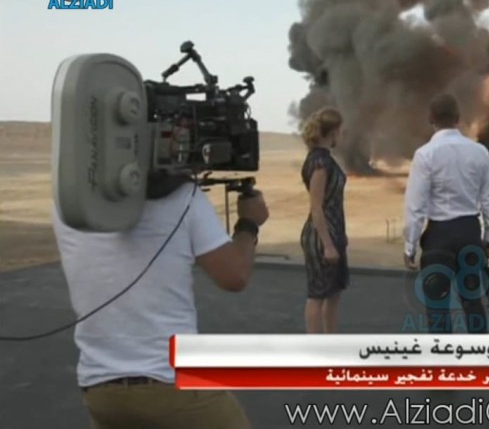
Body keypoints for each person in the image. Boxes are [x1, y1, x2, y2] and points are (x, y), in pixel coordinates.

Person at [53, 173, 269, 429]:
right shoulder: (183, 198)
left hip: (100, 389)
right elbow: (235, 275)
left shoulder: (67, 204)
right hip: (172, 383)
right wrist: (248, 224)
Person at [403, 93, 489, 334]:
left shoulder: (425, 154)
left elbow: (415, 206)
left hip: (439, 236)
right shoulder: (479, 152)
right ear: (458, 118)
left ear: (431, 118)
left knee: (437, 306)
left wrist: (410, 246)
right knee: (473, 303)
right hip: (469, 232)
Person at [299, 107, 348, 333]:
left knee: (334, 293)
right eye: (340, 130)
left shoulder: (325, 159)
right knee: (317, 295)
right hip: (321, 236)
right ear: (333, 132)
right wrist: (327, 244)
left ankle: (330, 342)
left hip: (333, 232)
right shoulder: (320, 162)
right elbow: (316, 207)